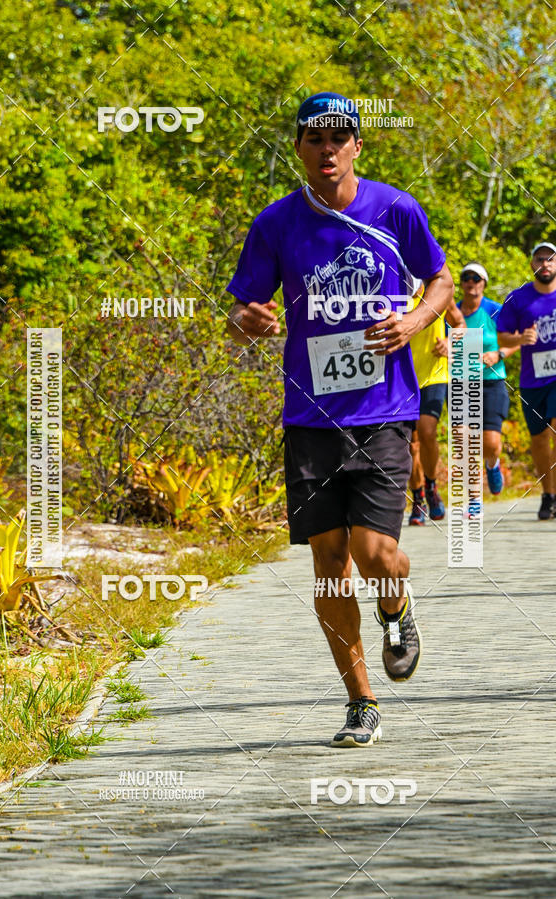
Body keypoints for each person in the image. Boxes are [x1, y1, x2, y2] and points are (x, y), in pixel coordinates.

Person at [226, 91, 454, 747]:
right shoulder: (276, 224)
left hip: (385, 410)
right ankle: (361, 700)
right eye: (314, 139)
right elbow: (242, 312)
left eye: (339, 138)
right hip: (310, 415)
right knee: (329, 562)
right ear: (299, 147)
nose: (327, 150)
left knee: (375, 552)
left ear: (357, 146)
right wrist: (252, 321)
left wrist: (412, 319)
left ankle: (396, 603)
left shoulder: (395, 208)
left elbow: (437, 280)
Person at [497, 242, 556, 520]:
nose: (545, 264)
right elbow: (501, 336)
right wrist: (521, 339)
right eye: (540, 259)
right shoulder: (517, 299)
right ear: (532, 264)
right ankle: (548, 494)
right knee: (540, 440)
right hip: (533, 380)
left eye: (551, 259)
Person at [457, 263, 518, 517]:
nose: (471, 282)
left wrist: (499, 353)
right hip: (461, 383)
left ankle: (493, 465)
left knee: (491, 444)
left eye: (476, 278)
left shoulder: (494, 310)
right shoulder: (452, 312)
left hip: (492, 383)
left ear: (484, 283)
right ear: (461, 283)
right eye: (466, 278)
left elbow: (516, 339)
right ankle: (474, 499)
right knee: (465, 438)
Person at [407, 282, 466, 525]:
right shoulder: (392, 288)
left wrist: (451, 342)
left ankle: (431, 484)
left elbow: (460, 324)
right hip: (404, 378)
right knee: (410, 445)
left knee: (427, 431)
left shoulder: (438, 289)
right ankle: (418, 498)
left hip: (434, 373)